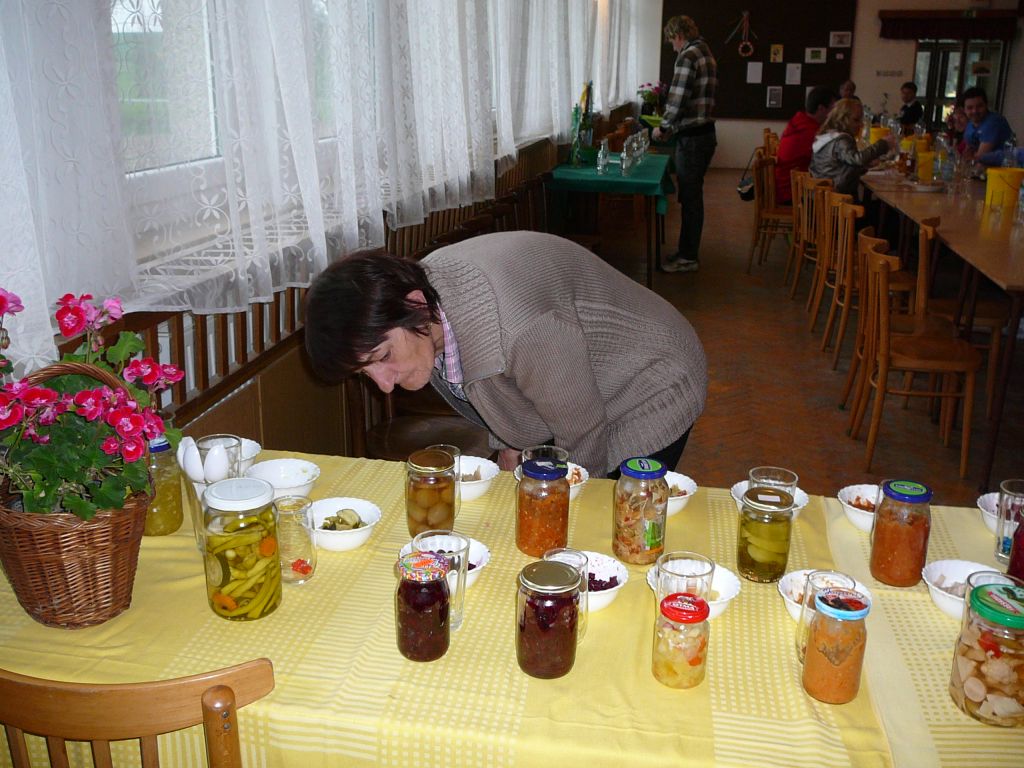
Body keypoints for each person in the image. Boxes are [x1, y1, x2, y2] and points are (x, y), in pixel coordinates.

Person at [303, 232, 708, 478]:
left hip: (651, 378)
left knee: (618, 522)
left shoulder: (518, 326)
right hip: (581, 384)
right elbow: (494, 384)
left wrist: (575, 503)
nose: (384, 384)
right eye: (365, 372)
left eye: (382, 356)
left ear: (416, 306)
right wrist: (510, 446)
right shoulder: (422, 305)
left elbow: (583, 434)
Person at [651, 15, 717, 274]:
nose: (673, 47)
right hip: (705, 135)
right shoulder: (706, 51)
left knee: (690, 199)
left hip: (692, 139)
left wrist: (663, 128)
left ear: (678, 35)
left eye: (672, 41)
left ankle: (688, 257)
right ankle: (687, 252)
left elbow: (678, 100)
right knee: (693, 197)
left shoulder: (688, 56)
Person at [809, 98, 897, 196]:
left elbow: (839, 168)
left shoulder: (828, 136)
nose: (861, 124)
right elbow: (858, 159)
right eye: (856, 120)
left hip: (820, 196)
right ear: (842, 119)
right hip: (835, 198)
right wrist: (884, 143)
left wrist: (864, 166)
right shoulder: (841, 139)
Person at [775, 86, 838, 204]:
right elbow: (831, 162)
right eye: (833, 109)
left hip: (786, 187)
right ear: (821, 109)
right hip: (792, 194)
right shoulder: (811, 132)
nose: (835, 114)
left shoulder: (800, 121)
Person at [961, 86, 1013, 163]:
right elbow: (967, 152)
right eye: (970, 108)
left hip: (1002, 168)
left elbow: (980, 158)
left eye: (979, 106)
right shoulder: (970, 123)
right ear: (964, 110)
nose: (974, 111)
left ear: (986, 105)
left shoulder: (993, 122)